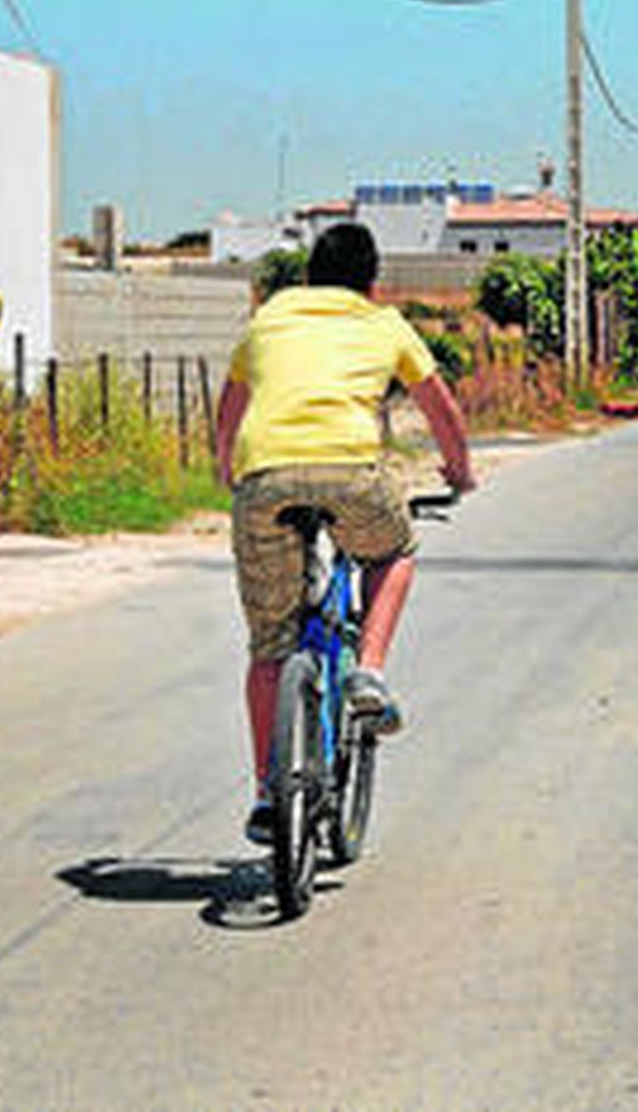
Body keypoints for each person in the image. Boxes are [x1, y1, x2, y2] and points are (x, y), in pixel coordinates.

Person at [215, 222, 475, 844]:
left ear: (308, 277)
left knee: (270, 646)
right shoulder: (384, 323)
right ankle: (369, 673)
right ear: (372, 284)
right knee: (394, 551)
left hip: (265, 480)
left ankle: (266, 795)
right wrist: (460, 471)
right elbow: (441, 409)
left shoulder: (270, 316)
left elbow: (230, 409)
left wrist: (228, 470)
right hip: (352, 474)